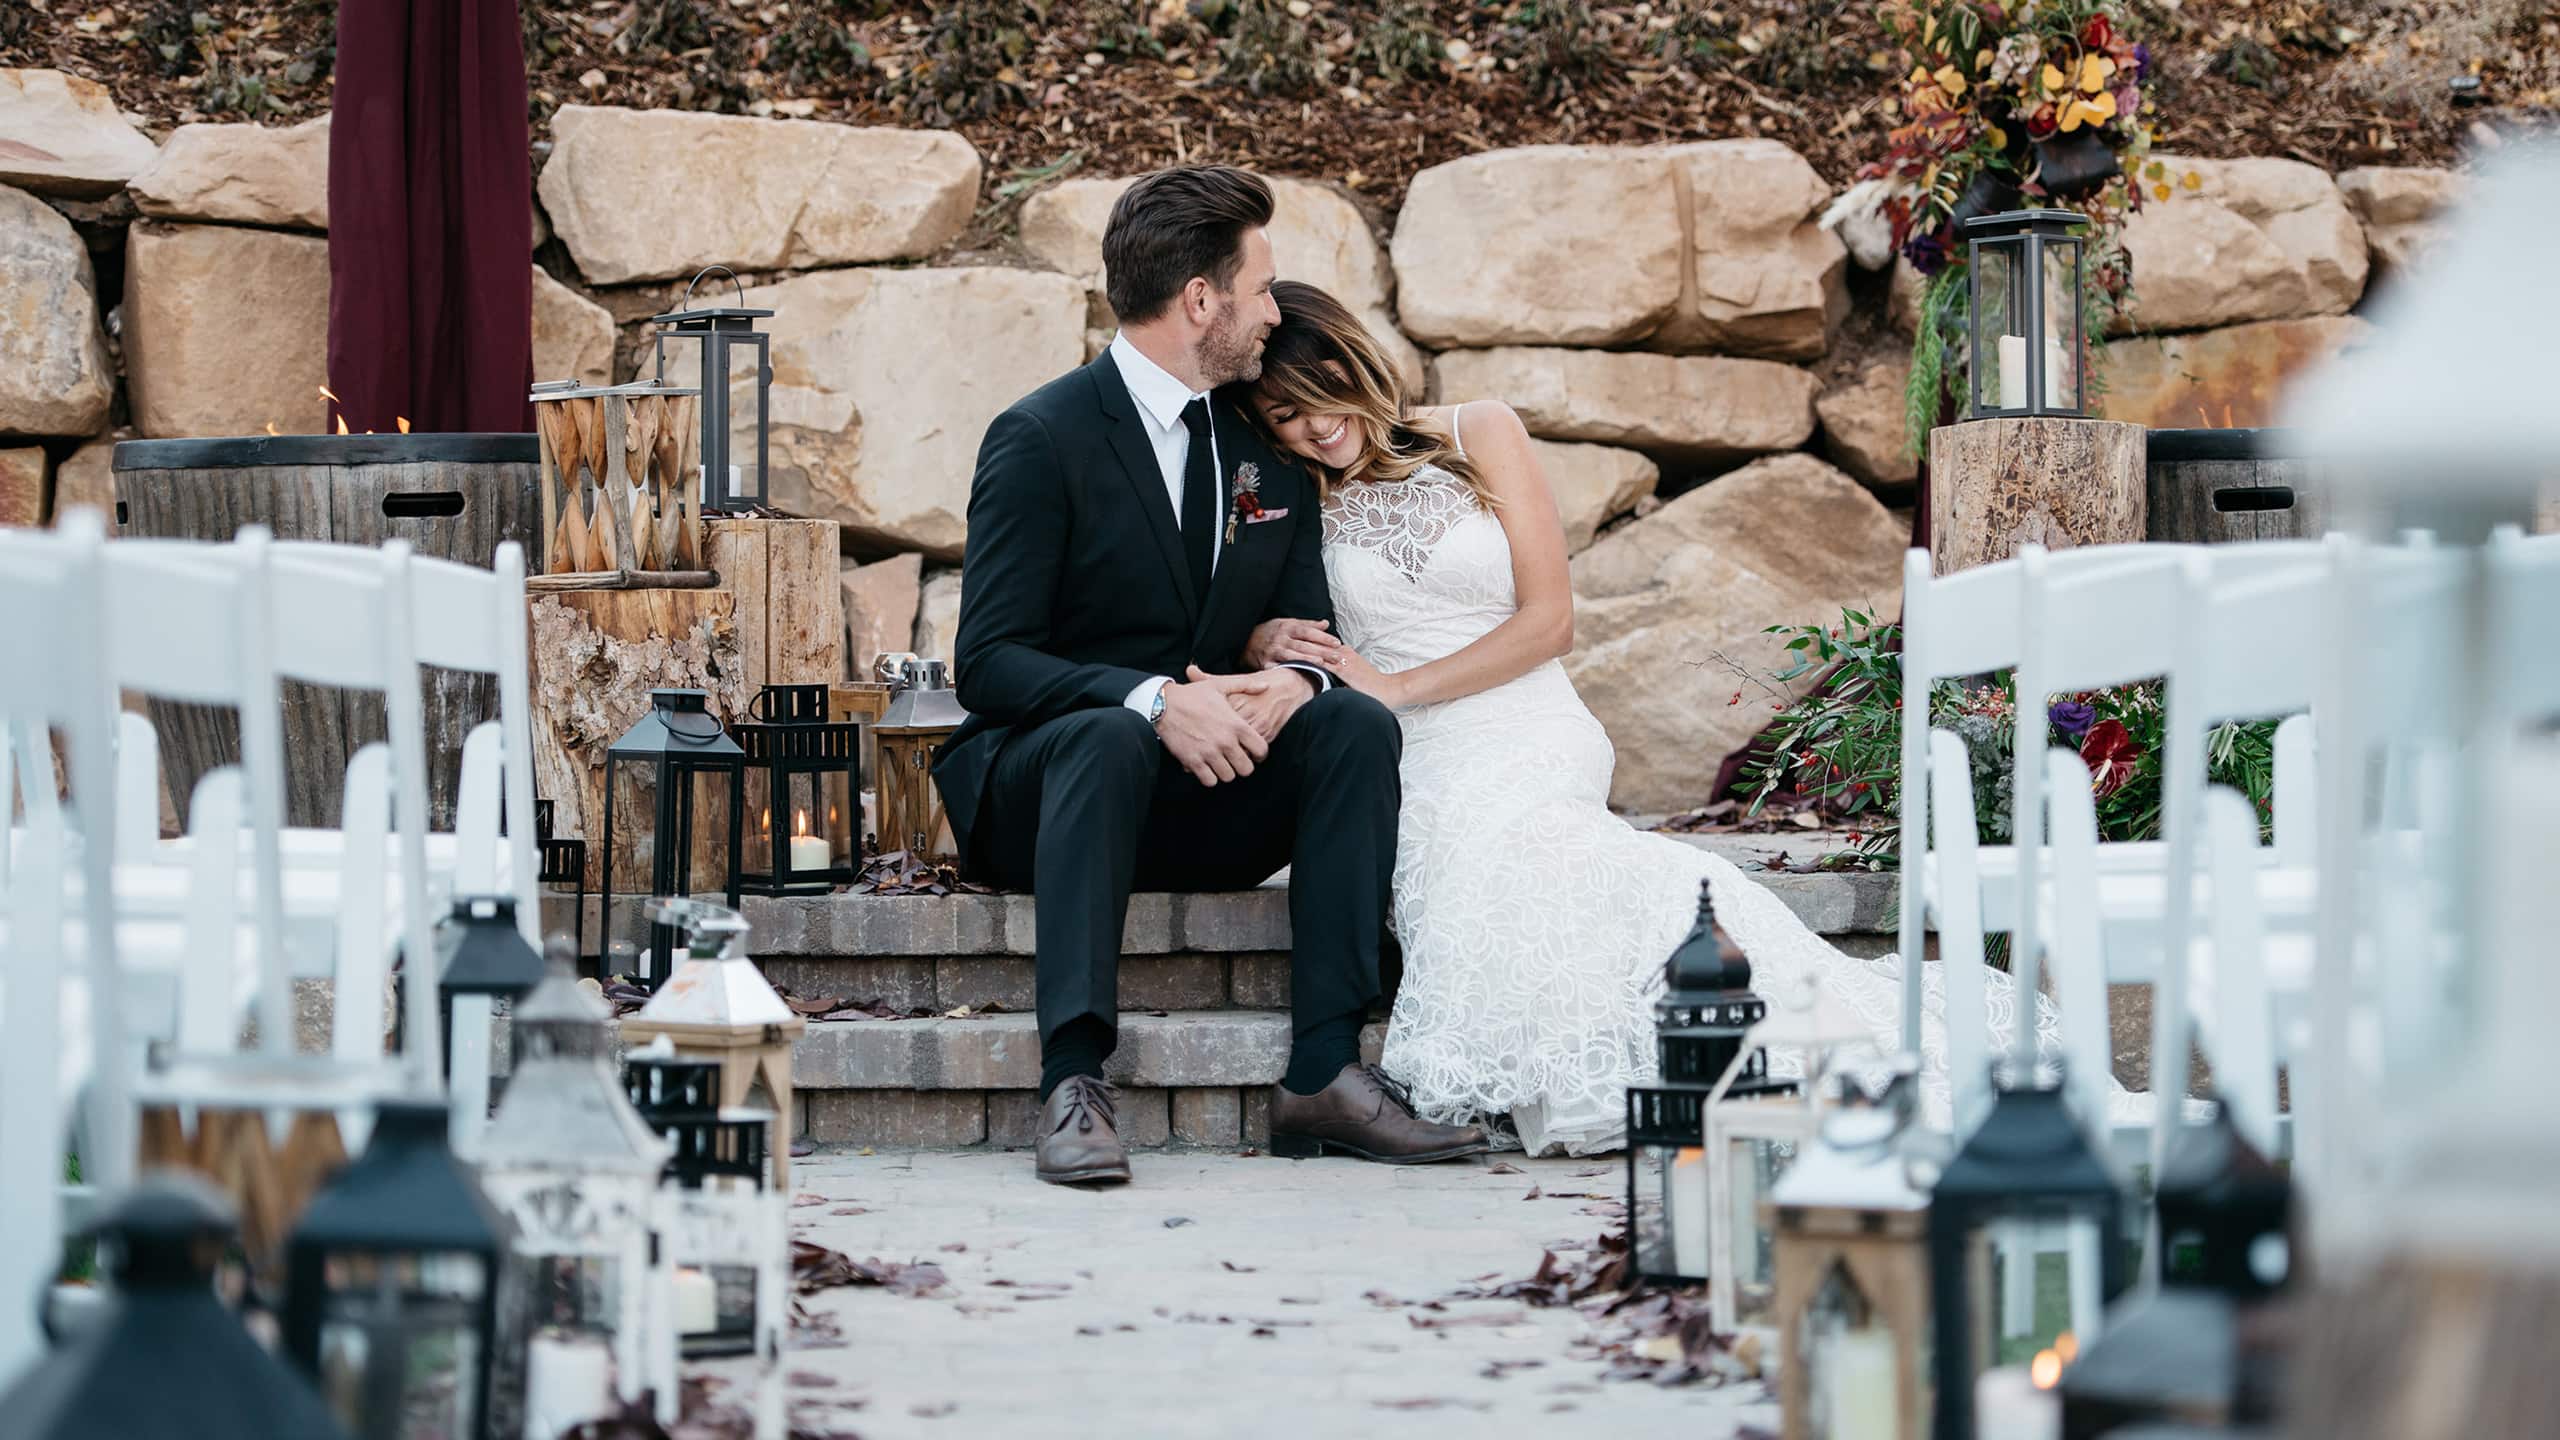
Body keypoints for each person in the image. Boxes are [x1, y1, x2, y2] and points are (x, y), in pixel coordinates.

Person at [1238, 280, 2078, 1154]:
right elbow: (1261, 615)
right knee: (1481, 871)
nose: (1313, 427)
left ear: (1354, 357)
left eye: (1319, 393)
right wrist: (1263, 637)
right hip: (1407, 754)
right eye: (1284, 417)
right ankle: (1651, 1055)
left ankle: (1766, 1023)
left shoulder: (1477, 431)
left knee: (1557, 853)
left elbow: (1549, 621)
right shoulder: (1292, 495)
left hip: (1521, 719)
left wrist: (1397, 688)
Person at [936, 169, 1490, 1186]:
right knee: (1106, 735)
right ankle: (1072, 1080)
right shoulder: (1040, 436)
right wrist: (1152, 700)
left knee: (1355, 727)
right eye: (1263, 287)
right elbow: (989, 661)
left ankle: (1323, 1073)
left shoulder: (1262, 452)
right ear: (1202, 299)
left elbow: (1309, 628)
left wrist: (1298, 682)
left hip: (1210, 793)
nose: (1274, 313)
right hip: (1052, 789)